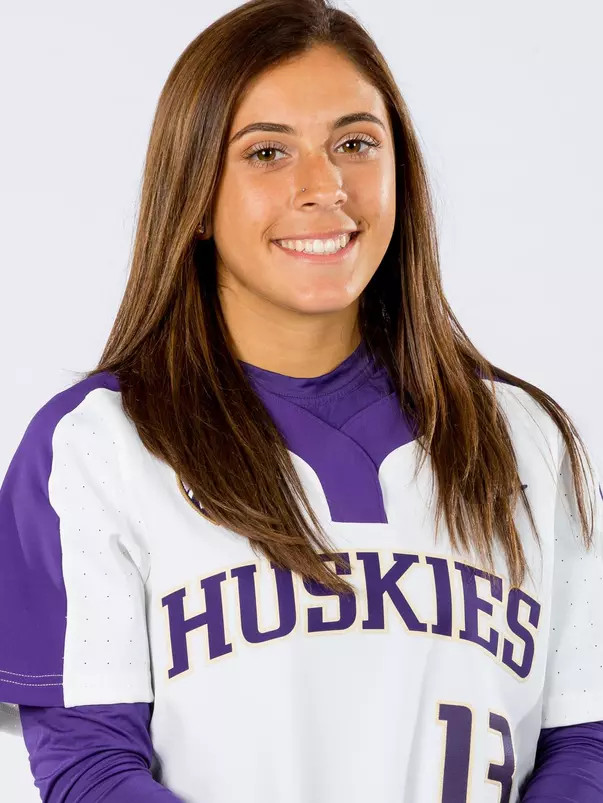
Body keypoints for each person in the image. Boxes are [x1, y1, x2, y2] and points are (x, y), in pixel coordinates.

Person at [1, 0, 602, 801]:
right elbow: (88, 763)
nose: (323, 186)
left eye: (355, 143)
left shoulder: (523, 438)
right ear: (194, 192)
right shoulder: (96, 445)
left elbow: (584, 741)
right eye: (266, 152)